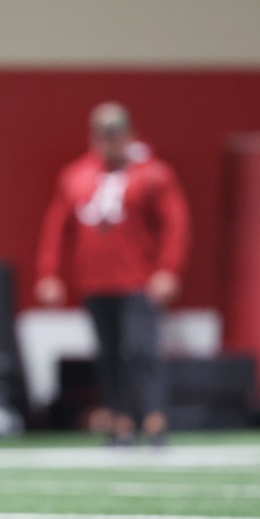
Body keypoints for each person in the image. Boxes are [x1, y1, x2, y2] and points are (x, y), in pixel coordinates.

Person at [34, 101, 190, 446]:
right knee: (109, 354)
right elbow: (57, 227)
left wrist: (168, 269)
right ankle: (119, 420)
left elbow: (175, 224)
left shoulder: (153, 174)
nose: (110, 142)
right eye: (104, 135)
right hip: (96, 281)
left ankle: (152, 417)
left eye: (116, 134)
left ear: (129, 135)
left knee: (141, 350)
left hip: (138, 280)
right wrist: (49, 272)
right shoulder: (76, 176)